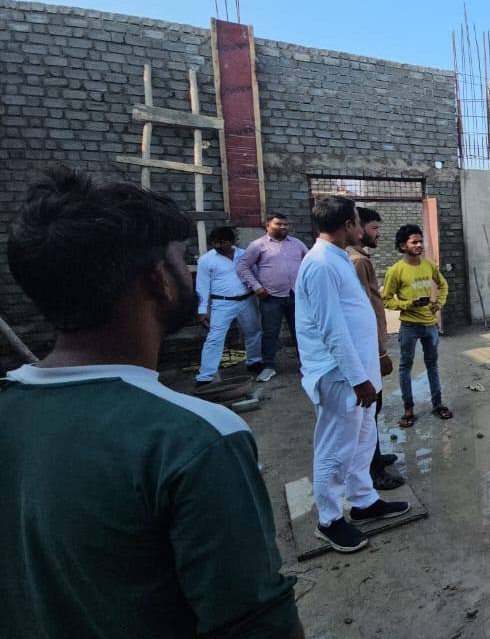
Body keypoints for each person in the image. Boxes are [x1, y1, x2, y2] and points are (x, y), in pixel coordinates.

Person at [1, 168, 302, 637]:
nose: (189, 270)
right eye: (181, 259)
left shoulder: (11, 406)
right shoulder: (198, 439)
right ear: (160, 280)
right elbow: (257, 624)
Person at [295, 197, 408, 553]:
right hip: (339, 375)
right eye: (359, 222)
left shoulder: (339, 257)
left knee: (363, 438)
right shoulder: (319, 265)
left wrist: (370, 367)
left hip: (359, 371)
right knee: (335, 447)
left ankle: (363, 500)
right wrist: (358, 379)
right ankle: (329, 519)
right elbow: (331, 329)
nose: (362, 228)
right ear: (347, 225)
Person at [347, 207, 404, 491]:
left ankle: (376, 457)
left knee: (373, 409)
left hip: (370, 345)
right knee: (368, 411)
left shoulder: (359, 258)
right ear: (358, 229)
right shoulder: (358, 262)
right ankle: (372, 472)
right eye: (374, 228)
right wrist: (380, 352)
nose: (378, 233)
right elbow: (362, 311)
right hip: (367, 348)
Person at [382, 224, 451, 427]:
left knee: (432, 365)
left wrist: (439, 303)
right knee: (405, 366)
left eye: (421, 241)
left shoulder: (428, 265)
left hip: (430, 325)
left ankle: (437, 404)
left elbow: (443, 284)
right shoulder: (395, 271)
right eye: (414, 242)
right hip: (409, 326)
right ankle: (408, 409)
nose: (419, 245)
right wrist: (407, 304)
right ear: (403, 245)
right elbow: (386, 299)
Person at [236, 212, 308, 382]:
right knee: (270, 332)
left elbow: (309, 263)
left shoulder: (297, 244)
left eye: (285, 224)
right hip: (270, 297)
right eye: (278, 224)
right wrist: (256, 287)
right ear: (267, 225)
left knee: (301, 331)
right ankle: (268, 366)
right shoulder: (258, 245)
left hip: (296, 295)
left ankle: (307, 364)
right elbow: (242, 267)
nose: (283, 227)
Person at [195, 225, 263, 387]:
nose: (218, 245)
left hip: (247, 299)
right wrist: (202, 309)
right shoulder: (206, 260)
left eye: (222, 242)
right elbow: (202, 286)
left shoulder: (244, 255)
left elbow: (255, 274)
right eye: (215, 242)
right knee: (215, 337)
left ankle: (254, 361)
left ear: (232, 242)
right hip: (222, 303)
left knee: (253, 332)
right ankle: (206, 376)